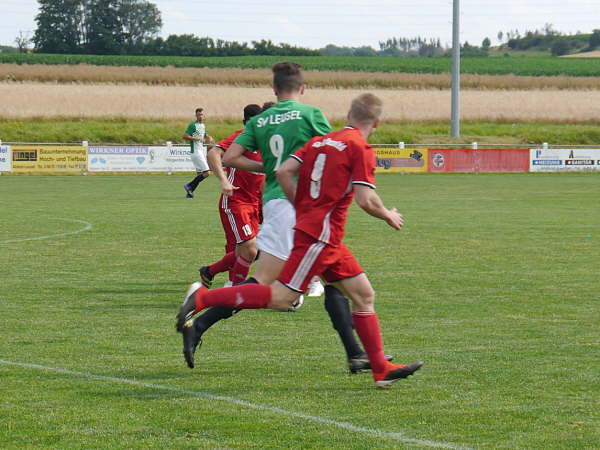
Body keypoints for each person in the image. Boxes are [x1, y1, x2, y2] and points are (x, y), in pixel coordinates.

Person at [177, 93, 423, 387]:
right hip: (317, 232)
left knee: (362, 293)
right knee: (280, 297)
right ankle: (202, 297)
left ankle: (376, 365)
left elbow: (282, 170)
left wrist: (302, 202)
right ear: (378, 122)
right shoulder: (354, 144)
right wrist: (387, 215)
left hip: (317, 228)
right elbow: (366, 200)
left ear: (348, 115)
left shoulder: (320, 141)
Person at [182, 108, 214, 198]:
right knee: (207, 173)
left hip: (200, 151)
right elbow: (185, 136)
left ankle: (190, 192)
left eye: (202, 114)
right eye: (199, 114)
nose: (201, 116)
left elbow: (203, 134)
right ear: (196, 115)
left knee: (200, 175)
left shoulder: (202, 125)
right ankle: (188, 186)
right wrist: (198, 139)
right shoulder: (193, 125)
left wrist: (208, 137)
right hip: (195, 152)